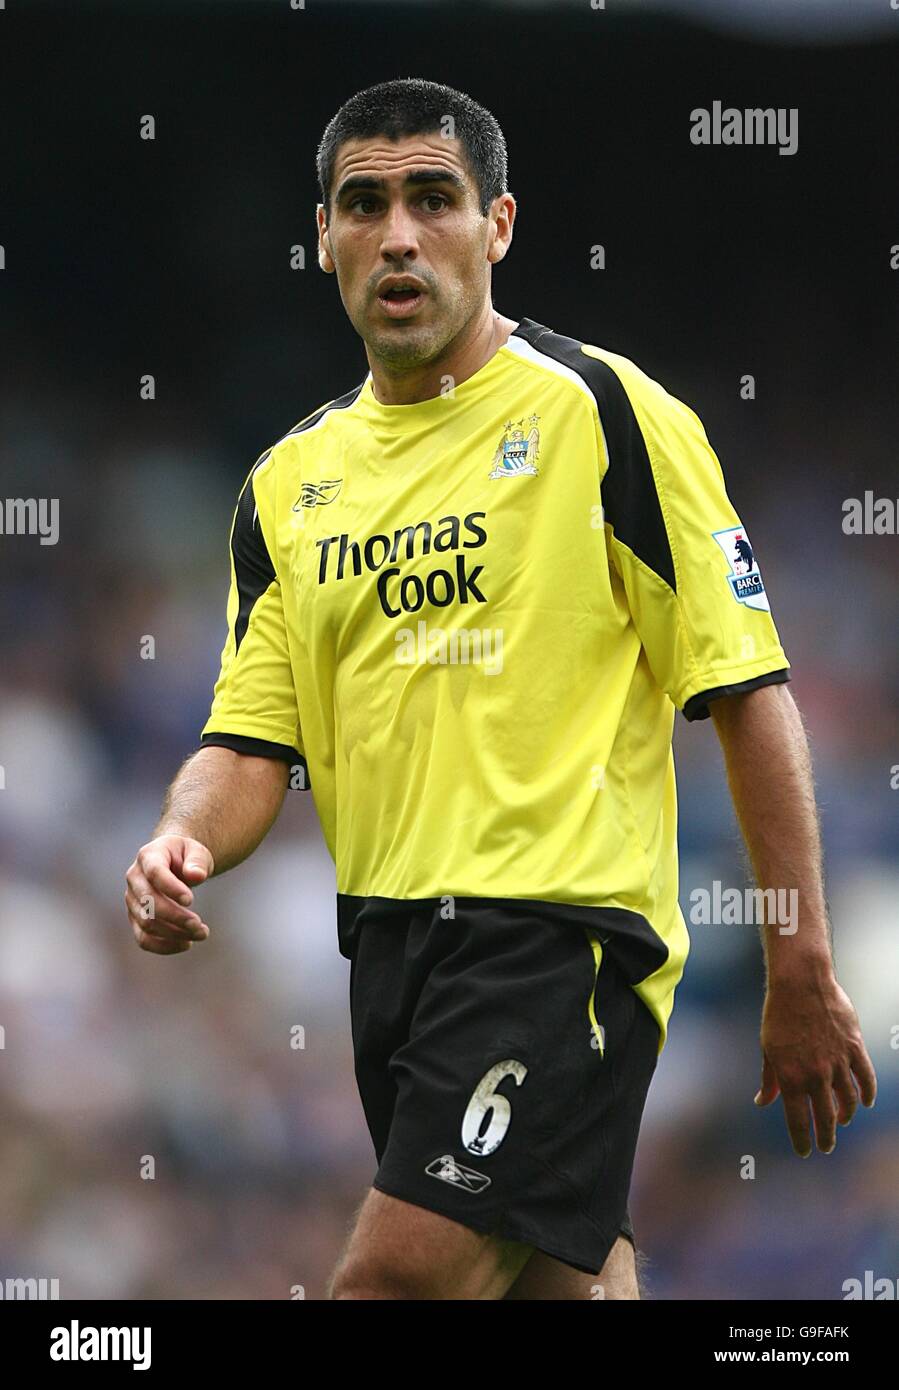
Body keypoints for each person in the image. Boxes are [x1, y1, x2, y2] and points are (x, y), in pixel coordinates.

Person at [124, 78, 876, 1301]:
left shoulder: (604, 413)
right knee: (554, 1286)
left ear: (500, 226)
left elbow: (746, 689)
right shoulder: (285, 485)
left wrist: (798, 963)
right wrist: (178, 838)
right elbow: (252, 739)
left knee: (399, 1275)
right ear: (324, 239)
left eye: (433, 198)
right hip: (388, 952)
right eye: (363, 205)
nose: (399, 234)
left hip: (558, 937)